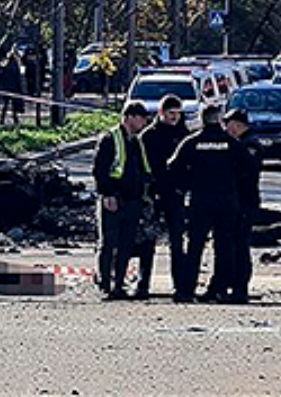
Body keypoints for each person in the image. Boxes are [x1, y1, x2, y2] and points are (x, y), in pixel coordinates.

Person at [168, 103, 241, 303]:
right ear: (219, 119)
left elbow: (173, 167)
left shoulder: (192, 142)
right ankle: (220, 289)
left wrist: (185, 185)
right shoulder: (231, 143)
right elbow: (248, 167)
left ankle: (186, 290)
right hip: (226, 201)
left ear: (202, 119)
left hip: (201, 201)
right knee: (224, 246)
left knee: (195, 246)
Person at [91, 100, 151, 301]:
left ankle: (119, 285)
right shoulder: (110, 138)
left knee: (126, 244)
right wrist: (107, 194)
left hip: (132, 200)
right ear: (130, 117)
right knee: (109, 243)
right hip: (114, 199)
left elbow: (141, 170)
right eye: (142, 118)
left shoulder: (136, 141)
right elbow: (100, 170)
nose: (144, 122)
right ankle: (106, 284)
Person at [135, 95, 189, 300]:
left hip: (175, 195)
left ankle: (180, 286)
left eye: (177, 113)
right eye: (171, 113)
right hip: (152, 194)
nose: (175, 117)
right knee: (148, 242)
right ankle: (143, 284)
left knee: (177, 241)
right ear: (161, 113)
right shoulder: (149, 136)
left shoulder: (184, 135)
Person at [223, 107, 263, 304]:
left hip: (245, 202)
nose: (226, 128)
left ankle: (240, 289)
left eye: (228, 124)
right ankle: (229, 285)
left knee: (240, 247)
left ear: (238, 125)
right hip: (235, 202)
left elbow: (246, 173)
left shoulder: (249, 145)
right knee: (232, 245)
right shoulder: (239, 143)